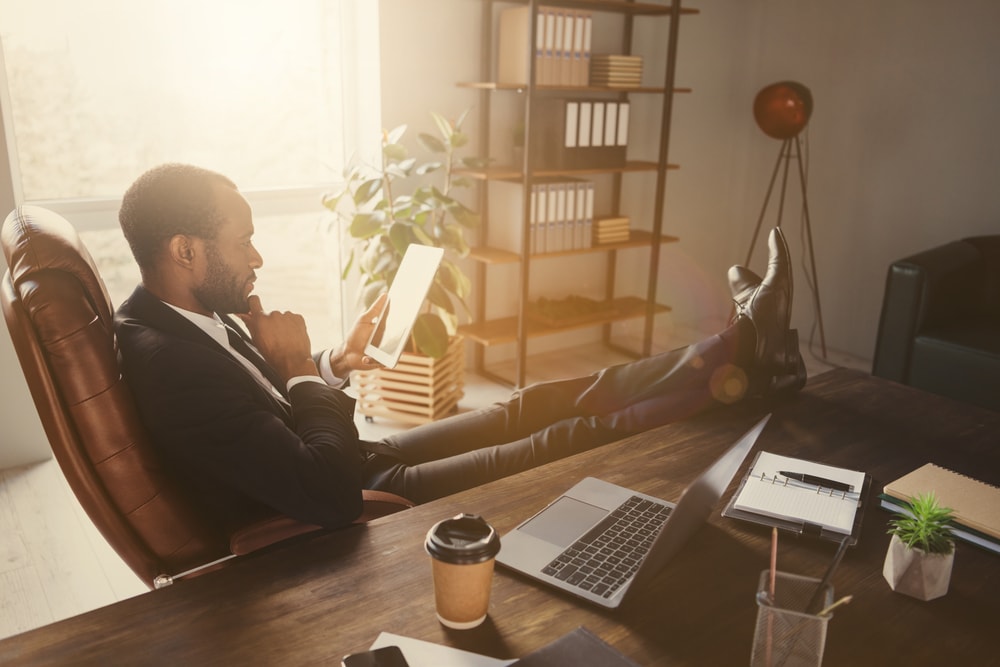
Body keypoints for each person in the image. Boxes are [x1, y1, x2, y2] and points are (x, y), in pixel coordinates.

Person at [114, 163, 806, 533]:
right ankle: (749, 361)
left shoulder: (181, 317)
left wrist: (329, 364)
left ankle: (742, 345)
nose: (257, 256)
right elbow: (322, 494)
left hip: (358, 458)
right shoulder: (170, 365)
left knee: (531, 401)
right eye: (244, 239)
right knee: (567, 434)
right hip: (359, 493)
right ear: (185, 249)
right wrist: (300, 373)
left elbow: (249, 404)